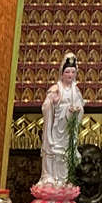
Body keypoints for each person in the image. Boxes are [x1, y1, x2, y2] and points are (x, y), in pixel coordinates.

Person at [40, 52, 85, 187]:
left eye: (73, 72)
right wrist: (53, 103)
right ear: (62, 73)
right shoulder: (55, 89)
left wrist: (77, 111)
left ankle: (64, 179)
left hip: (68, 128)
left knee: (66, 152)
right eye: (67, 72)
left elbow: (80, 107)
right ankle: (50, 177)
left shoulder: (76, 91)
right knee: (53, 150)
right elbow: (45, 107)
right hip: (56, 127)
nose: (70, 75)